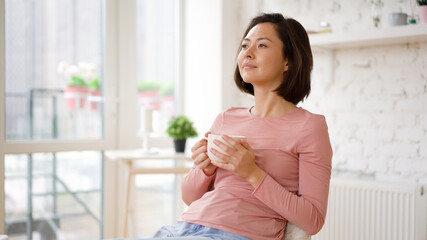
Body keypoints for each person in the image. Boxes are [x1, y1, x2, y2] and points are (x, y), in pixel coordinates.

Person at [153, 13, 333, 240]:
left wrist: (252, 173)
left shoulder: (309, 126)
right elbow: (190, 197)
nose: (247, 53)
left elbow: (312, 220)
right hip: (186, 227)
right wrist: (204, 169)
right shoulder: (226, 118)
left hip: (237, 234)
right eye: (245, 45)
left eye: (262, 45)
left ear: (288, 60)